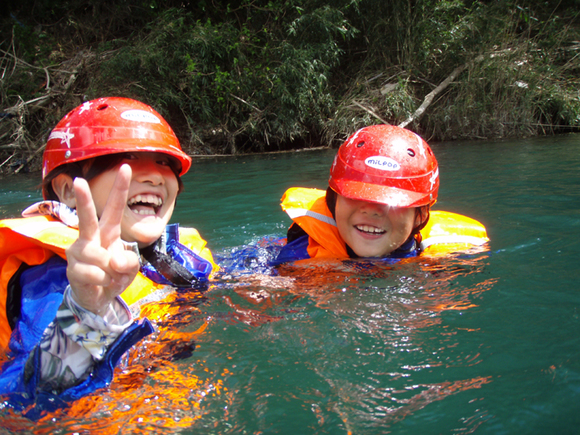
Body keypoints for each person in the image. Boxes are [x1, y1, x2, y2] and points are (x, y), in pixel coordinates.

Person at [0, 97, 218, 415]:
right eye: (127, 160)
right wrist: (84, 312)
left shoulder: (170, 251)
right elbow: (26, 399)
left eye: (164, 163)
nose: (155, 176)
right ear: (68, 191)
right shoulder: (52, 279)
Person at [274, 124, 489, 264]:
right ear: (333, 200)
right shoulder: (299, 258)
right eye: (356, 195)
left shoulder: (446, 261)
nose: (372, 210)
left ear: (420, 216)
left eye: (392, 203)